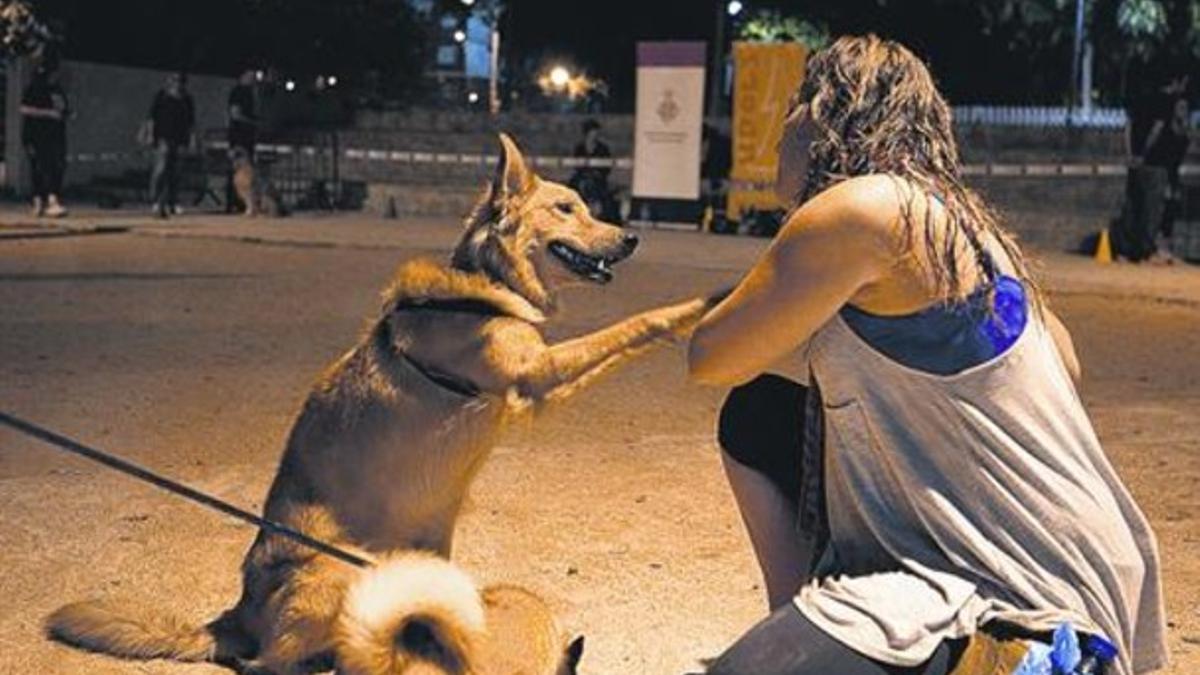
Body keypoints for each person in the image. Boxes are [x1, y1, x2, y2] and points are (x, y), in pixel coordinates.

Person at [688, 36, 1166, 675]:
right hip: (1088, 573)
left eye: (798, 104)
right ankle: (806, 625)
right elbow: (1065, 365)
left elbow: (711, 355)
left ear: (833, 109)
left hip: (1023, 593)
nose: (782, 129)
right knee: (761, 416)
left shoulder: (867, 208)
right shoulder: (967, 229)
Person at [1117, 70, 1188, 263]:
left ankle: (1126, 250)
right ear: (1176, 81)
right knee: (1151, 211)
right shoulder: (1167, 102)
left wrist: (1131, 154)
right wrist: (1144, 154)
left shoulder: (1139, 98)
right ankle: (1145, 251)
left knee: (1133, 206)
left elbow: (1128, 127)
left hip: (1136, 162)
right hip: (1155, 163)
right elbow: (1156, 131)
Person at [1142, 73, 1190, 264]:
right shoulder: (1166, 130)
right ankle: (1153, 247)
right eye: (1180, 108)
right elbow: (1156, 145)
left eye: (1185, 109)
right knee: (1160, 208)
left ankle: (1166, 247)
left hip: (1173, 173)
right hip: (1161, 172)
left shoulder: (1185, 132)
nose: (1183, 112)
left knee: (1172, 208)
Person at [20, 57, 69, 218]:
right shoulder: (35, 88)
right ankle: (40, 201)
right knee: (40, 168)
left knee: (57, 166)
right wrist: (48, 114)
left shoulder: (57, 90)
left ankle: (52, 199)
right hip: (36, 135)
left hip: (56, 135)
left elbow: (63, 107)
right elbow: (24, 108)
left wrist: (67, 114)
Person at [145, 72, 196, 219]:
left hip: (180, 138)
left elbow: (191, 122)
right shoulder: (161, 96)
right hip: (163, 137)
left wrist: (192, 139)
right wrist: (149, 135)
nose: (176, 83)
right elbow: (151, 118)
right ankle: (155, 201)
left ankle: (173, 202)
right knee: (160, 169)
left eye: (180, 81)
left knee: (176, 173)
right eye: (174, 80)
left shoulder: (187, 99)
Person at [568, 118, 618, 222]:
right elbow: (576, 164)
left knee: (598, 189)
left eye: (596, 131)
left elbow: (607, 166)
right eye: (592, 131)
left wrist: (597, 172)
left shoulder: (603, 148)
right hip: (582, 176)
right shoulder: (579, 148)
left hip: (598, 177)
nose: (595, 134)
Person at [226, 68, 258, 212]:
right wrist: (253, 122)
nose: (253, 79)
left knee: (246, 172)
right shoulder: (238, 92)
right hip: (239, 135)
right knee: (239, 171)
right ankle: (233, 201)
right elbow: (235, 114)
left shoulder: (251, 93)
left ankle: (243, 202)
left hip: (247, 136)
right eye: (250, 76)